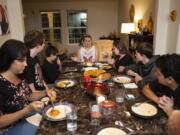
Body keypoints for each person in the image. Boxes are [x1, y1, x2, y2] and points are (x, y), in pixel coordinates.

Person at [0, 39, 44, 135]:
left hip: (27, 119)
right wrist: (27, 110)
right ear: (8, 59)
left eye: (26, 60)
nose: (26, 64)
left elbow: (29, 96)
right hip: (9, 129)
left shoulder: (20, 75)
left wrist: (45, 92)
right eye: (21, 60)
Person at [23, 30, 56, 97]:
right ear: (37, 45)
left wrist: (47, 89)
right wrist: (46, 93)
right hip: (38, 97)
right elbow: (33, 91)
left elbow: (41, 78)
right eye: (43, 42)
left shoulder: (35, 57)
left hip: (44, 91)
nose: (44, 44)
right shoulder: (26, 62)